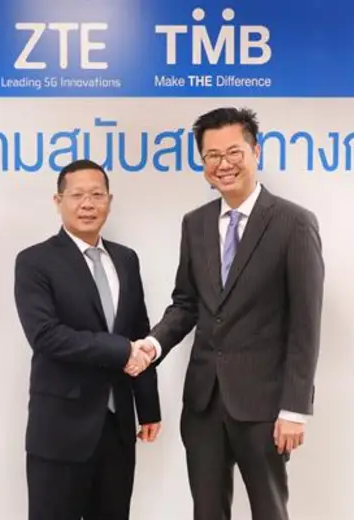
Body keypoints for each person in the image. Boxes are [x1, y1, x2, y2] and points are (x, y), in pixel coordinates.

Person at [131, 107, 325, 520]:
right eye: (212, 155)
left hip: (264, 406)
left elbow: (306, 325)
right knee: (206, 512)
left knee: (269, 511)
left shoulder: (293, 223)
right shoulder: (195, 224)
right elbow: (186, 304)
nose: (224, 164)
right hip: (203, 403)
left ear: (256, 151)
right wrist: (153, 344)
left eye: (234, 152)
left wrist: (294, 409)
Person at [13, 159, 162, 520]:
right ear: (58, 201)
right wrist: (121, 350)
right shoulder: (35, 261)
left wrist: (148, 406)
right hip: (60, 429)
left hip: (117, 427)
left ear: (109, 200)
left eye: (97, 195)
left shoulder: (126, 259)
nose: (87, 204)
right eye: (77, 195)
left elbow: (138, 331)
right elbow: (46, 336)